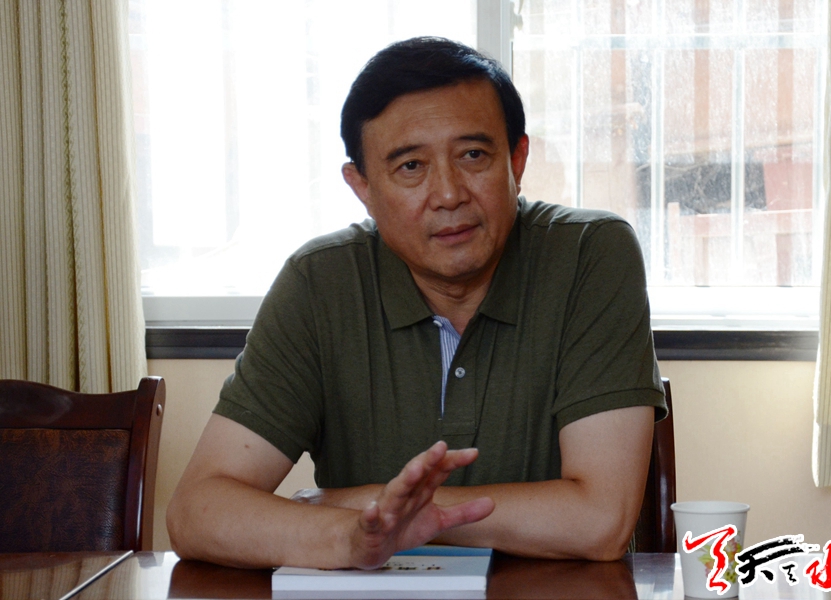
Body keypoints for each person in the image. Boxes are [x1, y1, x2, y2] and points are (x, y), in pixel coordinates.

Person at [167, 37, 666, 570]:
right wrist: (352, 536)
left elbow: (600, 521)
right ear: (361, 186)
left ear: (517, 160)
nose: (448, 194)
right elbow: (197, 512)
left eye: (473, 155)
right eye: (410, 166)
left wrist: (367, 502)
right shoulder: (320, 283)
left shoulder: (591, 253)